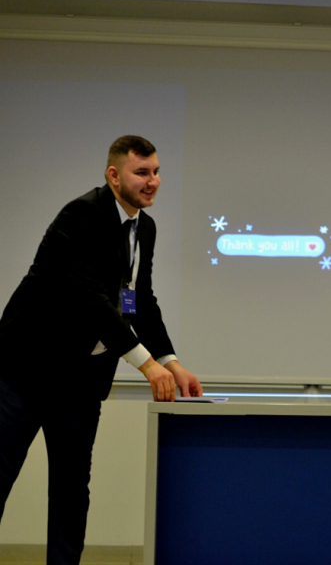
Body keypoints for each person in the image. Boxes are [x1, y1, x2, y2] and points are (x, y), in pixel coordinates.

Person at [0, 135, 202, 564]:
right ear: (114, 175)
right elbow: (91, 300)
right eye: (141, 172)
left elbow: (139, 299)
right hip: (25, 373)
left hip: (81, 382)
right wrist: (146, 365)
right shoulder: (81, 215)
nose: (153, 181)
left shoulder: (144, 227)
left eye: (156, 172)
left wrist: (171, 361)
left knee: (72, 489)